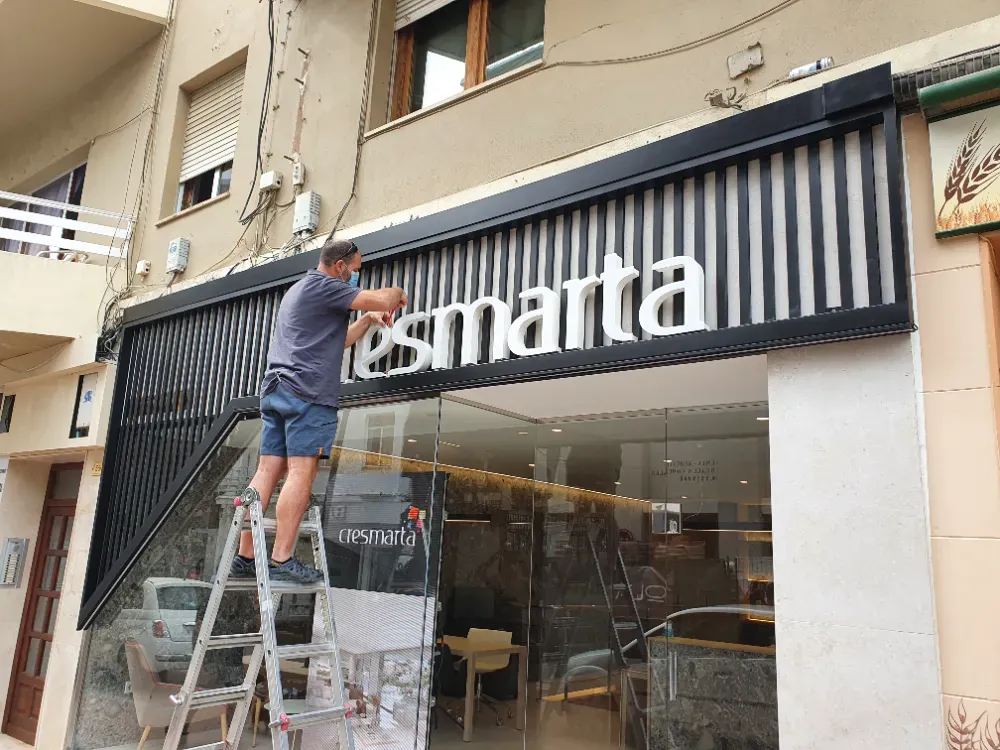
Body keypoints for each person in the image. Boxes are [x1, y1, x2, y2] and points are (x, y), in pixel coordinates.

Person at [231, 238, 407, 582]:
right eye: (355, 270)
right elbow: (387, 297)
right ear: (339, 265)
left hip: (278, 389)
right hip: (307, 393)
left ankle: (245, 557)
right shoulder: (326, 286)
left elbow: (335, 341)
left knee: (268, 471)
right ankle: (282, 559)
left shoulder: (300, 291)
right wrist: (396, 292)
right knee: (301, 472)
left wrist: (367, 320)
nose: (356, 276)